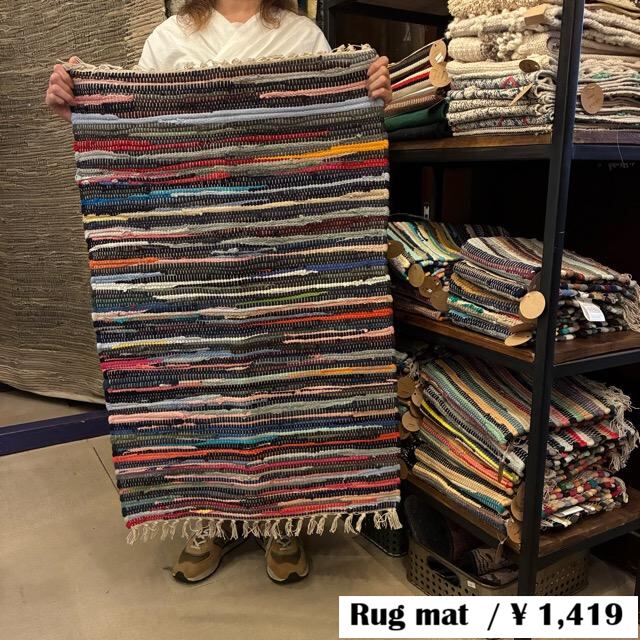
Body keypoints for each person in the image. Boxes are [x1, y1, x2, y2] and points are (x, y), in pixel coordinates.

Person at [45, 0, 391, 586]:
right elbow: (136, 136)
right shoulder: (168, 39)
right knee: (196, 379)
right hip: (189, 253)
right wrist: (80, 104)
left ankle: (282, 515)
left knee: (283, 375)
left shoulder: (302, 36)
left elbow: (325, 133)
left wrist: (366, 93)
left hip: (282, 248)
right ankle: (209, 513)